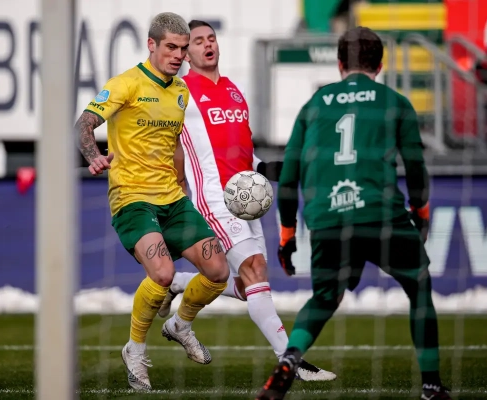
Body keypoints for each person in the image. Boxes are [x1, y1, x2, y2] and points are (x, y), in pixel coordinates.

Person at [256, 27, 451, 400]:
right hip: (381, 214)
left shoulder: (314, 105)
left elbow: (290, 176)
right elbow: (415, 167)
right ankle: (430, 386)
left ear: (339, 63)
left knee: (324, 298)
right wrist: (421, 212)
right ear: (380, 64)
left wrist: (286, 236)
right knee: (419, 286)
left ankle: (290, 359)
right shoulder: (395, 102)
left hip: (327, 217)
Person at [156, 20, 336, 382]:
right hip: (215, 198)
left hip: (247, 199)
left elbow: (242, 151)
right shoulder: (180, 93)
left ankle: (178, 292)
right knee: (253, 267)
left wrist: (268, 168)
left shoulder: (234, 91)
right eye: (198, 41)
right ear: (186, 53)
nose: (207, 45)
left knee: (246, 284)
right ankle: (291, 361)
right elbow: (164, 140)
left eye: (211, 38)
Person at [74, 12, 230, 392]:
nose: (179, 55)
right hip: (132, 199)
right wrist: (94, 155)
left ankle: (180, 325)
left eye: (183, 49)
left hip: (172, 199)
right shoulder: (125, 84)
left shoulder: (180, 91)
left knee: (218, 271)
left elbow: (174, 144)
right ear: (152, 45)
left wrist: (182, 185)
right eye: (171, 47)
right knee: (162, 274)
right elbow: (84, 124)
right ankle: (135, 349)